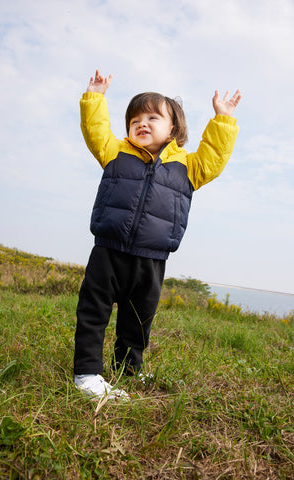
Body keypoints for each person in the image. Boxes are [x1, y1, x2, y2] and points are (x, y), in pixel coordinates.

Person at [74, 69, 241, 399]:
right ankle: (87, 373)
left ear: (174, 129)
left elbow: (214, 157)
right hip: (108, 251)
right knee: (93, 312)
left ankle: (129, 369)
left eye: (152, 117)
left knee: (138, 321)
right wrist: (95, 97)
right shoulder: (115, 152)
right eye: (135, 119)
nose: (142, 123)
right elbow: (96, 132)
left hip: (152, 259)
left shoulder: (188, 167)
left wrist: (222, 120)